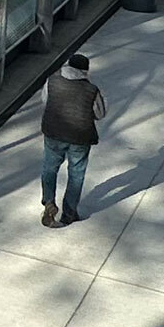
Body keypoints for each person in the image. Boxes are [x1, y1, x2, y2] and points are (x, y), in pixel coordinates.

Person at [39, 53, 106, 228]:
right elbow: (100, 114)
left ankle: (48, 202)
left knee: (49, 167)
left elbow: (45, 101)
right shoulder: (92, 90)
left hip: (53, 132)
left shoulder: (52, 81)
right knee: (76, 174)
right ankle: (69, 214)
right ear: (85, 71)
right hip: (80, 137)